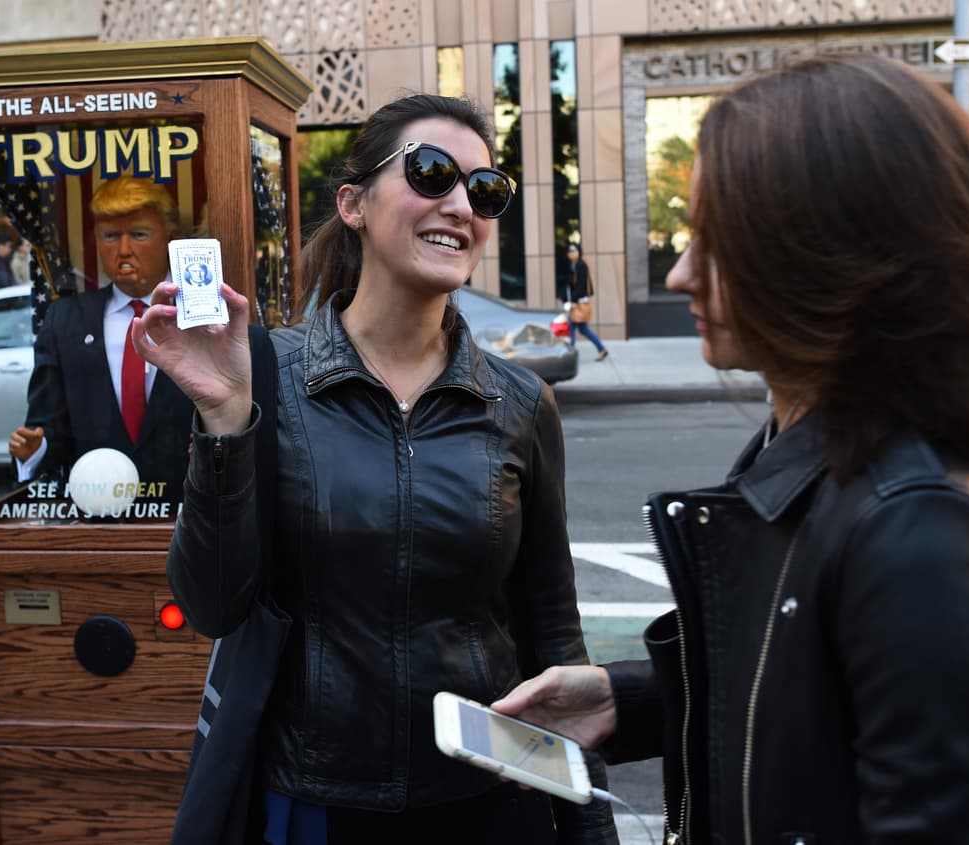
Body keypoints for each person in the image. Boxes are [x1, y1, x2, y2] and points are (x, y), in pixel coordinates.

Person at [493, 54, 969, 844]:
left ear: (830, 256)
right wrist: (634, 701)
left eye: (718, 241)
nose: (680, 275)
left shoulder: (922, 541)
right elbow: (807, 696)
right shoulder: (808, 458)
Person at [133, 94, 618, 844]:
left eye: (484, 189)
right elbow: (213, 606)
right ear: (352, 203)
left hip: (489, 798)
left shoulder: (521, 402)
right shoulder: (266, 374)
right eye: (431, 174)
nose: (459, 203)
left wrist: (590, 829)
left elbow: (553, 630)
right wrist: (227, 420)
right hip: (319, 802)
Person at [7, 175, 196, 513]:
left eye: (139, 234)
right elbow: (49, 426)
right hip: (97, 515)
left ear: (171, 238)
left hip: (190, 514)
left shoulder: (203, 317)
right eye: (111, 236)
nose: (123, 250)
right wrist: (34, 450)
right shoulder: (65, 320)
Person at [562, 243, 608, 360]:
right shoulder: (573, 265)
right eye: (569, 251)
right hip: (578, 301)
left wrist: (573, 300)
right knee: (583, 329)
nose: (571, 253)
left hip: (579, 302)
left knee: (571, 327)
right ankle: (601, 349)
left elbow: (582, 285)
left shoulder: (581, 265)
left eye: (574, 250)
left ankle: (570, 355)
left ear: (579, 252)